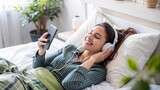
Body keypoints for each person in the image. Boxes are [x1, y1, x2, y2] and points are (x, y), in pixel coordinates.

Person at [0, 22, 136, 90]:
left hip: (37, 86)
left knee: (6, 82)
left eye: (97, 36)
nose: (89, 36)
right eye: (90, 32)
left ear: (107, 48)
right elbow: (37, 66)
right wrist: (41, 50)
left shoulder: (98, 70)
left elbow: (69, 84)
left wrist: (93, 59)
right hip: (27, 74)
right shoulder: (70, 48)